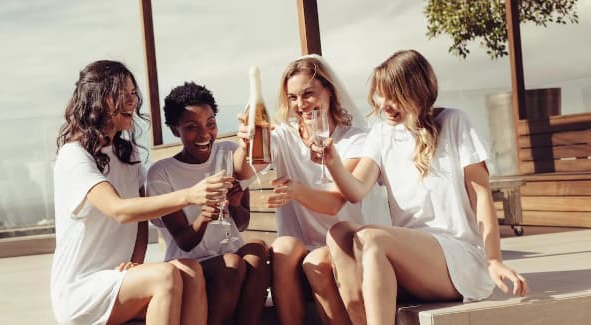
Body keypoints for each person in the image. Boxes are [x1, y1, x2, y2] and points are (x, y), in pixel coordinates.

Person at [321, 50, 529, 325]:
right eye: (379, 95)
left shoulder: (454, 122)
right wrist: (332, 161)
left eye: (393, 95)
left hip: (458, 257)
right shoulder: (381, 134)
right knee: (340, 233)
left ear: (417, 91)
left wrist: (493, 259)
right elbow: (356, 190)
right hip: (409, 260)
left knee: (370, 238)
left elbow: (481, 197)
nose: (384, 104)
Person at [52, 60, 233, 325]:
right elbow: (119, 210)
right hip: (81, 290)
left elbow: (139, 221)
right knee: (165, 276)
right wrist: (190, 195)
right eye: (122, 95)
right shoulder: (74, 156)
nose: (132, 103)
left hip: (119, 278)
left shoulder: (128, 153)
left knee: (191, 272)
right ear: (98, 99)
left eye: (133, 94)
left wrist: (135, 264)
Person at [238, 54, 387, 325]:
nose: (300, 104)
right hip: (299, 250)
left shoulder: (356, 140)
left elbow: (334, 202)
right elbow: (245, 170)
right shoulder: (283, 136)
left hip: (343, 244)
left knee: (316, 260)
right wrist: (247, 143)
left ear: (329, 90)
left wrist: (295, 191)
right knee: (281, 247)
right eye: (293, 97)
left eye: (308, 94)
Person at [148, 82, 271, 325]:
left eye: (210, 124)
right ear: (175, 130)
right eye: (191, 127)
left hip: (229, 253)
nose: (205, 134)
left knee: (257, 250)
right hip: (192, 264)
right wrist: (205, 216)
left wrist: (235, 204)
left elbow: (242, 223)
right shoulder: (161, 173)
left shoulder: (229, 153)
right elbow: (184, 242)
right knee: (233, 264)